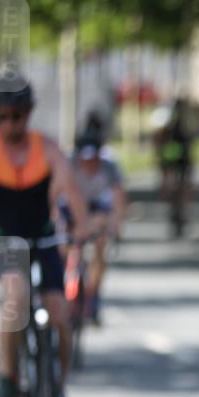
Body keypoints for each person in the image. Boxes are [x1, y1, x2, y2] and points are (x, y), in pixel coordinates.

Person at [0, 72, 92, 397]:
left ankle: (59, 394)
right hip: (4, 239)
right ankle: (9, 377)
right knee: (16, 293)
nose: (9, 124)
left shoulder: (46, 148)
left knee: (61, 315)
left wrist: (81, 229)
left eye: (16, 116)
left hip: (43, 238)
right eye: (1, 117)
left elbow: (72, 192)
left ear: (29, 113)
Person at [59, 134, 128, 325]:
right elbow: (56, 196)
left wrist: (116, 225)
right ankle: (65, 282)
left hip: (97, 207)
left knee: (100, 242)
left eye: (93, 159)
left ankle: (93, 294)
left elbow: (119, 198)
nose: (89, 164)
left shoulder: (109, 167)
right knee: (63, 245)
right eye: (85, 159)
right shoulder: (68, 164)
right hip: (71, 206)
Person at [154, 98, 194, 237]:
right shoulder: (166, 124)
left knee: (180, 188)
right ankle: (176, 208)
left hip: (181, 163)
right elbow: (159, 146)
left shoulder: (184, 126)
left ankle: (180, 210)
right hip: (172, 163)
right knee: (174, 187)